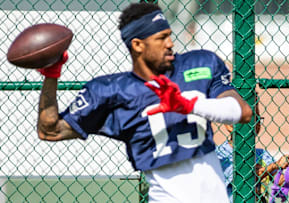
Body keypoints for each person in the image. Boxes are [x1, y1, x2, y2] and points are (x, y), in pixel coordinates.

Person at [35, 2, 253, 203]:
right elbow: (50, 130)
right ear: (138, 45)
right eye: (161, 38)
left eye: (169, 35)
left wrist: (189, 105)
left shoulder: (201, 63)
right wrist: (52, 75)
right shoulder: (112, 92)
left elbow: (242, 112)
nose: (170, 43)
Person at [214, 94, 289, 202]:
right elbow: (245, 179)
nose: (256, 123)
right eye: (251, 119)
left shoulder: (262, 154)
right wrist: (274, 166)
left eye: (258, 118)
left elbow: (279, 180)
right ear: (229, 124)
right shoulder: (220, 155)